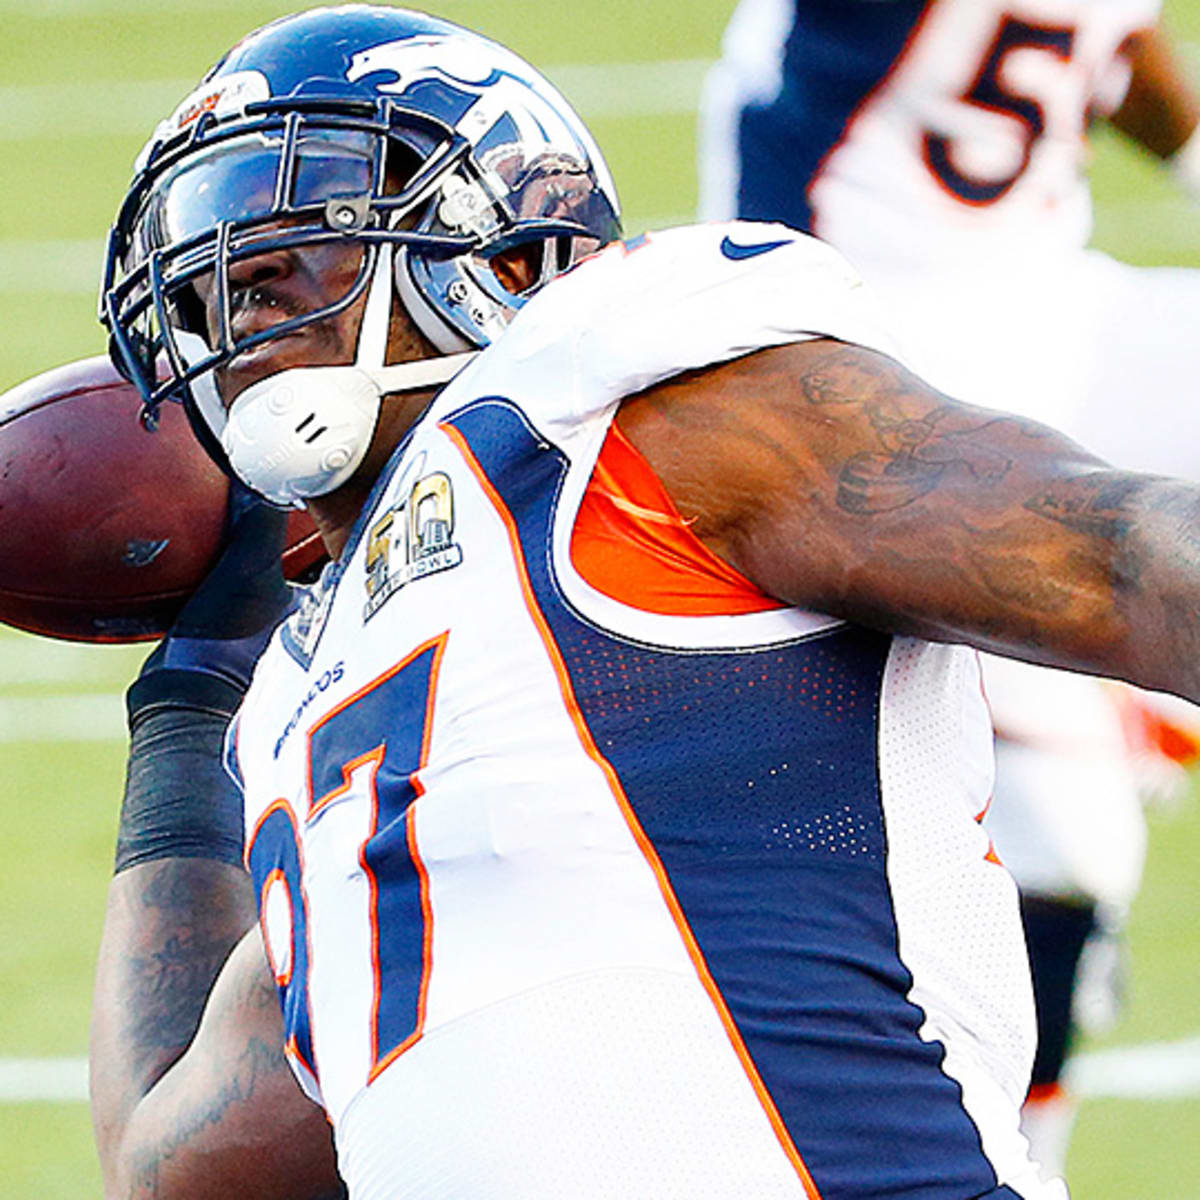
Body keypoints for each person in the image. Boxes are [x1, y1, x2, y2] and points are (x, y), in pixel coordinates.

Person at [88, 7, 1200, 1199]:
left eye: (299, 231)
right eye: (208, 280)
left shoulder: (636, 411)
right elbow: (172, 1166)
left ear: (509, 259)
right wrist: (194, 694)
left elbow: (1127, 557)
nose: (236, 296)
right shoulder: (301, 719)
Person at [698, 0, 1200, 1174]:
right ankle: (1019, 1165)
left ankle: (1135, 715)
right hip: (865, 348)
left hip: (1045, 290)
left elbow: (1096, 38)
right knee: (1072, 836)